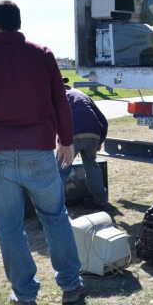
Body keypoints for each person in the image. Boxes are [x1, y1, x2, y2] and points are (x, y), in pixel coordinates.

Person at [0, 0, 87, 305]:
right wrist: (66, 140)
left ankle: (25, 295)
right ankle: (70, 284)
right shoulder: (42, 54)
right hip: (39, 148)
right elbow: (60, 102)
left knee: (9, 225)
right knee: (54, 215)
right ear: (18, 23)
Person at [61, 77, 109, 210]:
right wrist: (100, 140)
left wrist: (62, 142)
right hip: (93, 133)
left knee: (60, 170)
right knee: (91, 166)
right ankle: (100, 201)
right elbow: (103, 120)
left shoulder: (56, 96)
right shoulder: (80, 93)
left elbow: (56, 120)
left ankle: (55, 208)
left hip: (73, 134)